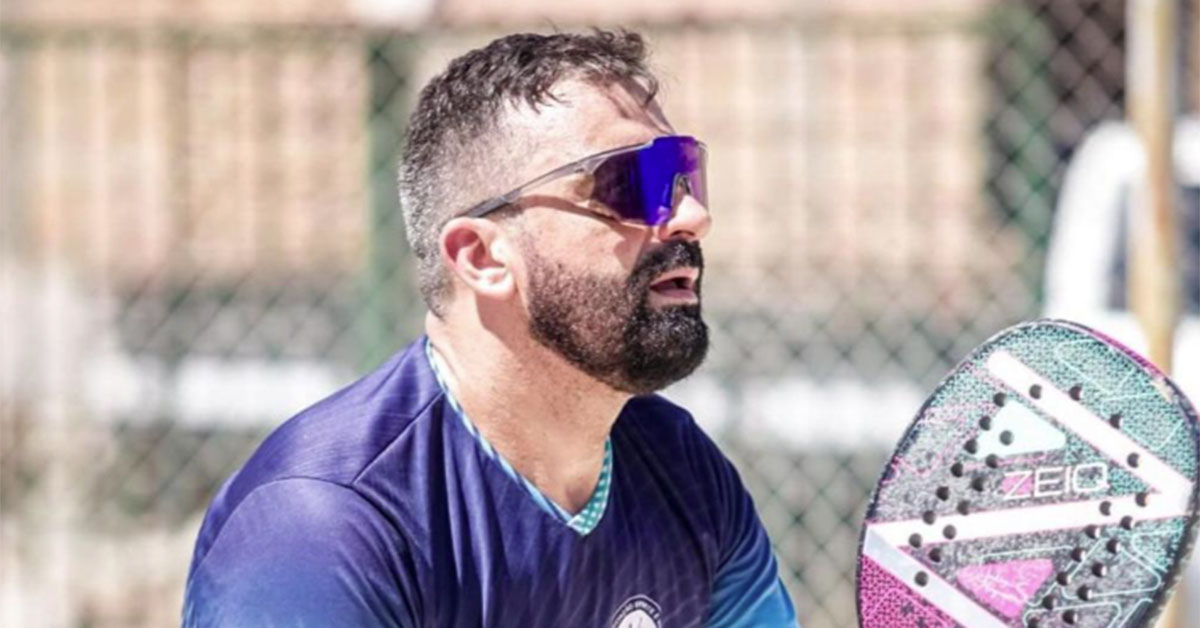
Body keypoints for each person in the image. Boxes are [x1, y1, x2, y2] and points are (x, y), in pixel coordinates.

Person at [182, 29, 798, 627]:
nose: (694, 215)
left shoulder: (681, 469)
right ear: (482, 257)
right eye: (629, 184)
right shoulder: (321, 524)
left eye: (682, 174)